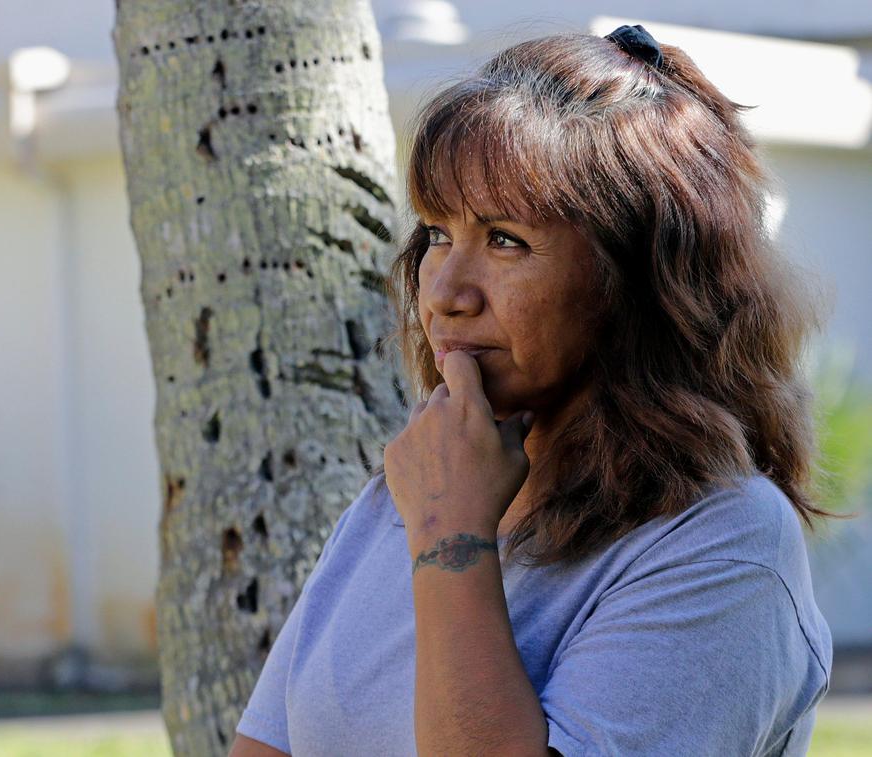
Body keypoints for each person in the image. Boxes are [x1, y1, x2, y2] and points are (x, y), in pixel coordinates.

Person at [231, 24, 836, 757]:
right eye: (437, 234)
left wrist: (451, 537)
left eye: (506, 240)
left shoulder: (724, 546)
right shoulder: (407, 494)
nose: (445, 292)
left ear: (638, 285)